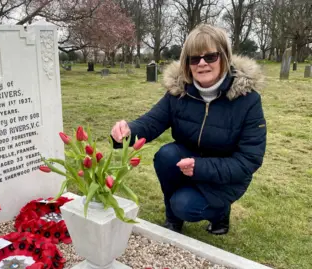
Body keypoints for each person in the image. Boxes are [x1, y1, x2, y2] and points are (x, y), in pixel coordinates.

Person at [110, 24, 267, 235]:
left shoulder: (248, 100)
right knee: (166, 155)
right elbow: (151, 122)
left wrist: (200, 167)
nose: (201, 63)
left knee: (185, 205)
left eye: (210, 56)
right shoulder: (179, 92)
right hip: (188, 161)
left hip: (226, 175)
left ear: (225, 57)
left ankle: (220, 212)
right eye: (194, 58)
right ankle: (173, 219)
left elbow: (249, 160)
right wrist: (127, 131)